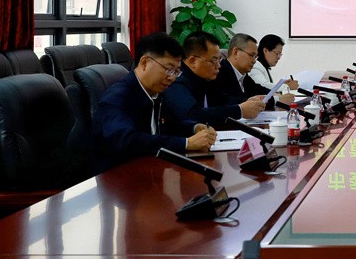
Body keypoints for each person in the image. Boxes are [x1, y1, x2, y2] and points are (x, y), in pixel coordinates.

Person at [92, 32, 217, 173]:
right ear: (145, 63)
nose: (172, 78)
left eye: (177, 72)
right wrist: (186, 143)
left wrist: (194, 128)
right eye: (169, 70)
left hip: (151, 169)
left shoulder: (155, 92)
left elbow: (171, 123)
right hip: (119, 176)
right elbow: (126, 140)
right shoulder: (118, 97)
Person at [161, 31, 267, 127]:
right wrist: (239, 110)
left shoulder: (203, 80)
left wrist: (247, 102)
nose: (218, 66)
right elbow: (193, 115)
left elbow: (222, 100)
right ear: (193, 61)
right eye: (213, 61)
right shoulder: (178, 82)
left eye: (219, 60)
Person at [211, 33, 294, 106]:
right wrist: (277, 100)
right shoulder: (220, 72)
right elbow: (233, 102)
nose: (254, 60)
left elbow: (258, 90)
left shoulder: (243, 76)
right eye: (251, 55)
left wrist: (276, 95)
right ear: (236, 52)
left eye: (255, 56)